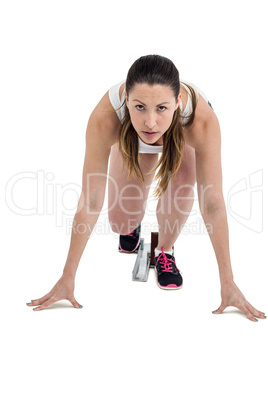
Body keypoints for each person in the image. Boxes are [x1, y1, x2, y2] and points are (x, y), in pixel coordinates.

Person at [26, 54, 266, 322]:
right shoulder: (106, 119)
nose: (151, 122)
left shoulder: (200, 121)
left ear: (176, 103)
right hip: (128, 133)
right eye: (140, 107)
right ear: (127, 100)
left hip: (181, 133)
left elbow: (212, 204)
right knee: (120, 221)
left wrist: (228, 282)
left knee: (182, 187)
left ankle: (164, 249)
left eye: (161, 108)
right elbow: (91, 201)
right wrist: (67, 276)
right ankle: (134, 215)